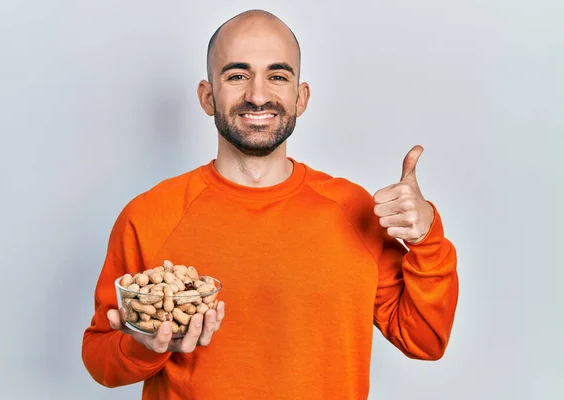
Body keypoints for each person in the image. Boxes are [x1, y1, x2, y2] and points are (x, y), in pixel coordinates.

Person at [81, 9, 459, 400]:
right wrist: (148, 345)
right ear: (208, 97)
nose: (258, 95)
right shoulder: (149, 216)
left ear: (301, 97)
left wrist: (427, 237)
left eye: (277, 76)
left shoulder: (351, 209)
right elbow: (99, 357)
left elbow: (426, 340)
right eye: (237, 75)